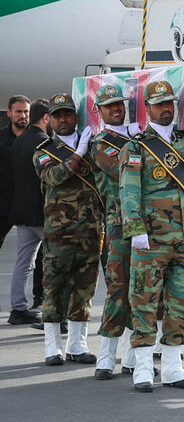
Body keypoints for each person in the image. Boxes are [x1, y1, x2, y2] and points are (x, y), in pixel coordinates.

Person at [119, 80, 184, 392]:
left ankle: (173, 367)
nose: (166, 109)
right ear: (147, 108)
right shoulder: (136, 146)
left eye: (170, 103)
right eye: (159, 104)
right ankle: (144, 368)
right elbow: (129, 191)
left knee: (182, 304)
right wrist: (135, 230)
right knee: (144, 302)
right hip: (151, 238)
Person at [33, 93, 104, 366]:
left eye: (68, 114)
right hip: (58, 235)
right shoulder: (44, 152)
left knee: (84, 290)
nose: (63, 119)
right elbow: (53, 177)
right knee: (54, 288)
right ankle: (53, 347)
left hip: (90, 231)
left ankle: (77, 344)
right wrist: (78, 154)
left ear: (76, 117)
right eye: (57, 115)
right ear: (49, 120)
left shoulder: (93, 147)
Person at [89, 84, 143, 379]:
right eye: (110, 106)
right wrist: (137, 142)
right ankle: (106, 358)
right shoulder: (101, 144)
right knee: (118, 289)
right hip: (119, 225)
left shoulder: (133, 139)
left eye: (120, 104)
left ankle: (133, 357)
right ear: (99, 111)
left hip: (145, 222)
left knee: (140, 289)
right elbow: (125, 168)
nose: (117, 109)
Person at [7, 98, 46, 326]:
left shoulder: (19, 142)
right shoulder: (43, 143)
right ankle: (52, 313)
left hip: (21, 212)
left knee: (23, 262)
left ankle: (18, 308)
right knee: (53, 263)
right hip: (40, 214)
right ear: (46, 118)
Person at [0, 95, 29, 251]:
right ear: (9, 113)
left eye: (26, 112)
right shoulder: (1, 138)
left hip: (28, 206)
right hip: (3, 205)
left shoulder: (37, 138)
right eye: (18, 111)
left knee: (37, 257)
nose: (23, 116)